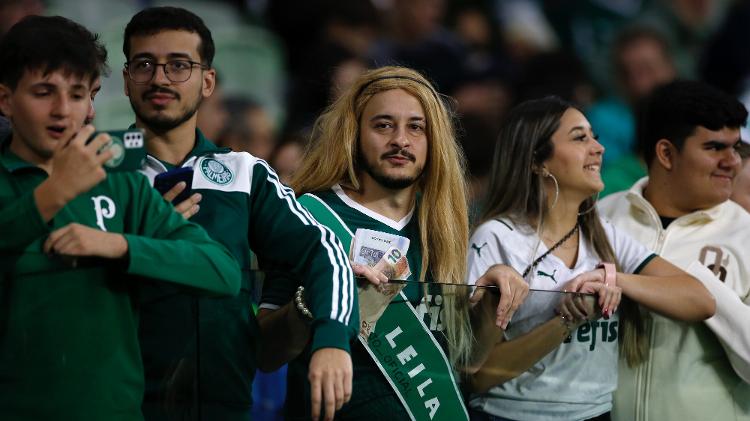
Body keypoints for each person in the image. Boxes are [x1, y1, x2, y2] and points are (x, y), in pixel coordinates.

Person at [121, 7, 356, 421]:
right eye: (144, 64)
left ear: (207, 81)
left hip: (223, 406)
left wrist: (333, 338)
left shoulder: (243, 174)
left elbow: (325, 252)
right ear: (125, 80)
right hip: (119, 403)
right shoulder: (96, 167)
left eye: (179, 65)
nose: (159, 78)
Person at [0, 15, 241, 420]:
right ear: (6, 100)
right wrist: (54, 193)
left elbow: (222, 272)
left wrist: (120, 244)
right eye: (44, 92)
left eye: (78, 94)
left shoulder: (121, 186)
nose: (63, 110)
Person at [258, 66, 530, 420]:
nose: (400, 140)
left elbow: (468, 362)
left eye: (416, 127)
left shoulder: (444, 225)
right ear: (354, 135)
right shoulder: (308, 214)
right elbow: (264, 352)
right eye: (383, 125)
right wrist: (313, 304)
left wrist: (494, 298)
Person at [465, 96, 716, 421]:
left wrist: (612, 281)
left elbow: (700, 300)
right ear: (537, 161)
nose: (599, 148)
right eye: (580, 138)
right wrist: (567, 320)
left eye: (594, 137)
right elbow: (476, 374)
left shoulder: (604, 235)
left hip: (597, 414)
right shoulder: (496, 238)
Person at [600, 80, 750, 421]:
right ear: (666, 153)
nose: (733, 162)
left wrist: (701, 291)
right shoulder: (602, 219)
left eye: (736, 149)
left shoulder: (747, 236)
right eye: (715, 148)